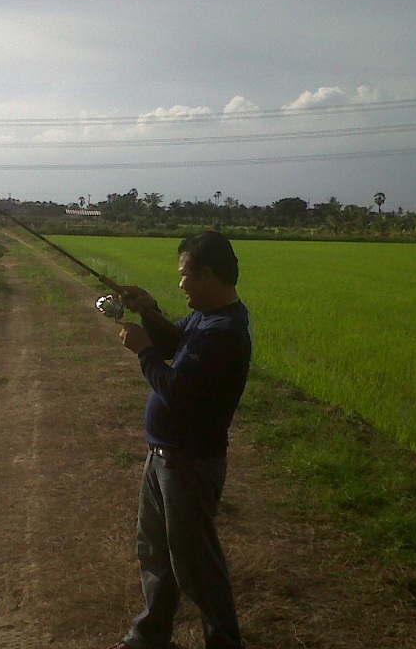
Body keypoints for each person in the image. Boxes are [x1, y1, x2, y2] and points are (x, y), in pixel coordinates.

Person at [110, 231, 251, 649]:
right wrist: (149, 309)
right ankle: (150, 636)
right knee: (154, 551)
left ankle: (225, 643)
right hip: (163, 457)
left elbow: (177, 389)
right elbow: (175, 340)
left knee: (196, 567)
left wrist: (143, 350)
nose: (181, 284)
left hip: (189, 462)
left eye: (185, 275)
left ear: (207, 275)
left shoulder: (225, 331)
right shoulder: (204, 318)